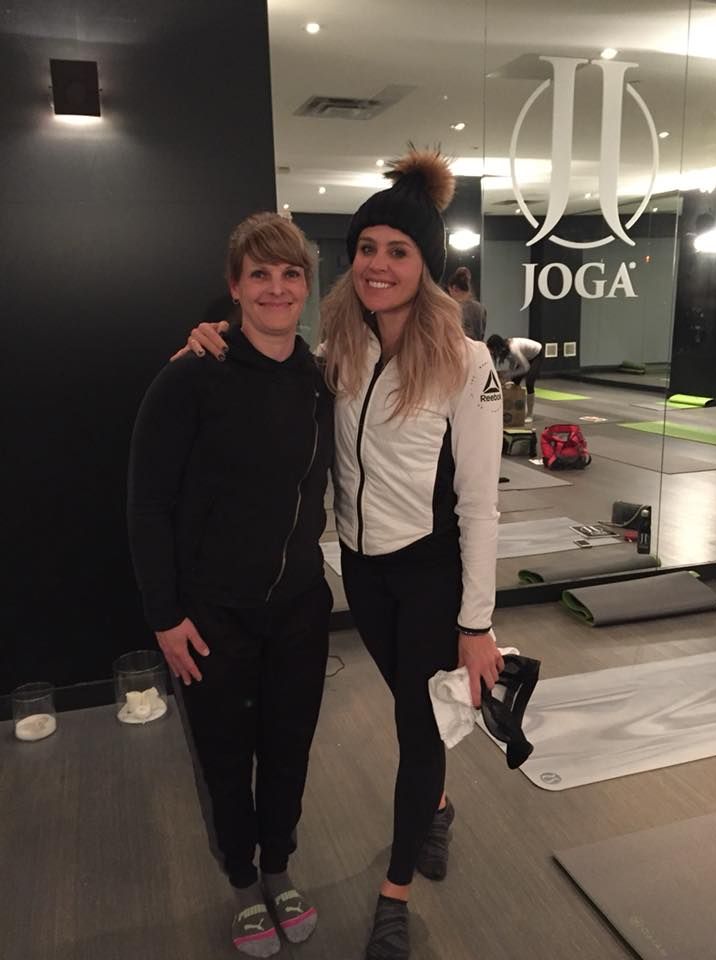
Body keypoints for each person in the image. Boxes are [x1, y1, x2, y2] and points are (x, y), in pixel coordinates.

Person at [182, 150, 505, 960]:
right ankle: (436, 805)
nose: (379, 265)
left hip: (430, 570)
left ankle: (394, 893)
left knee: (416, 723)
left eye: (399, 251)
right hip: (357, 567)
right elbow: (266, 349)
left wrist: (478, 623)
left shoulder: (468, 364)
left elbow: (480, 503)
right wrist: (211, 332)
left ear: (425, 265)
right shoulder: (339, 345)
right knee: (413, 703)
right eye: (368, 248)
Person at [127, 213, 334, 958]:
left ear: (307, 287)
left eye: (290, 275)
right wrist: (165, 614)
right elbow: (147, 503)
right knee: (224, 753)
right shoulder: (192, 375)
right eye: (260, 275)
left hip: (302, 608)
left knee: (288, 748)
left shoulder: (320, 379)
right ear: (234, 287)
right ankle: (243, 879)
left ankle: (278, 867)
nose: (276, 288)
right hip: (212, 613)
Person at [486, 334, 543, 423]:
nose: (493, 353)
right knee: (515, 382)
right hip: (526, 357)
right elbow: (512, 362)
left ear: (497, 347)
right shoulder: (505, 349)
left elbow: (526, 367)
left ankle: (530, 415)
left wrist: (510, 374)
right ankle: (515, 411)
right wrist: (510, 375)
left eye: (493, 350)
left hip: (537, 354)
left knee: (529, 382)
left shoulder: (513, 348)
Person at [447, 265, 487, 341]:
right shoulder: (481, 309)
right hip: (478, 350)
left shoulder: (454, 309)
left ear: (454, 288)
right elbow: (481, 334)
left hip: (461, 349)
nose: (450, 296)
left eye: (450, 292)